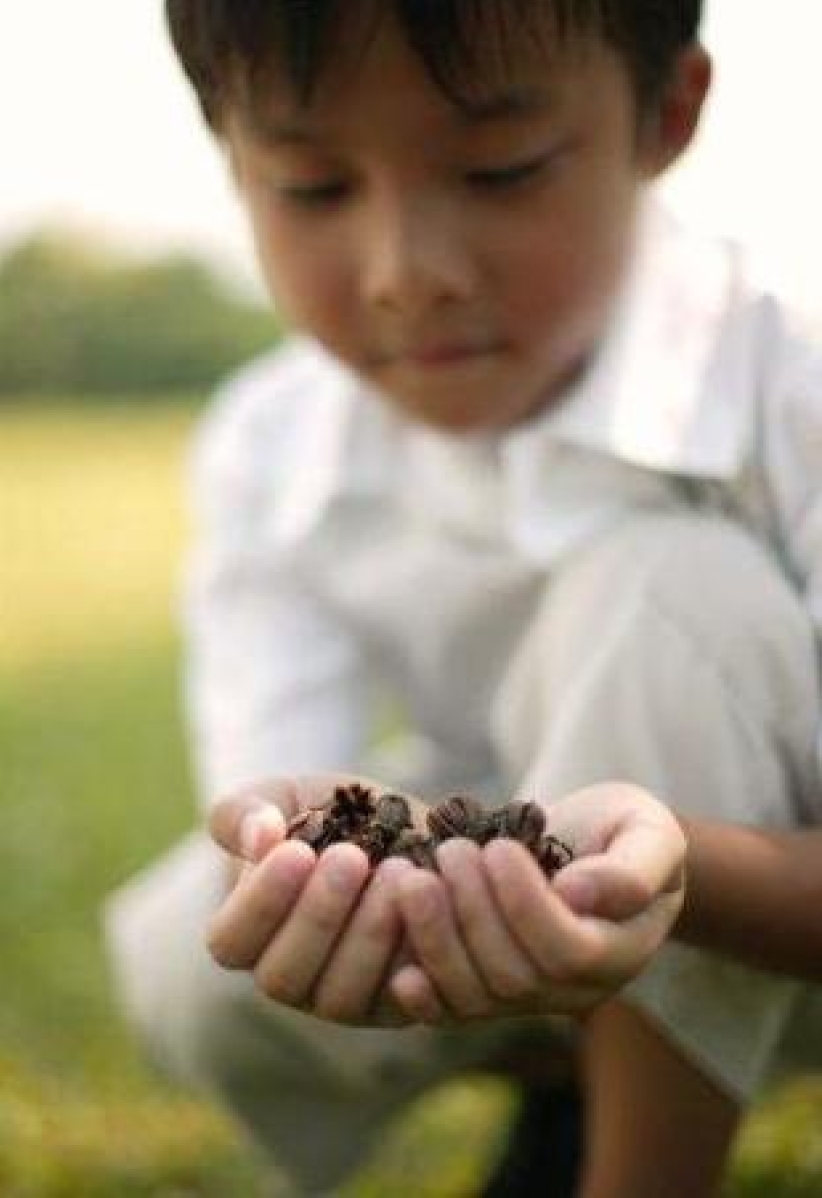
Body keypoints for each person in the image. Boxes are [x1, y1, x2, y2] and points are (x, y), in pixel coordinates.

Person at [104, 2, 822, 1195]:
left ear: (667, 115)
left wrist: (676, 866)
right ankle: (572, 1076)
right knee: (192, 952)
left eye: (501, 171)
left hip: (779, 922)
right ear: (231, 159)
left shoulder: (787, 384)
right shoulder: (269, 443)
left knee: (666, 581)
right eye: (315, 187)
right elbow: (272, 792)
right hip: (481, 929)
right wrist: (322, 870)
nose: (409, 275)